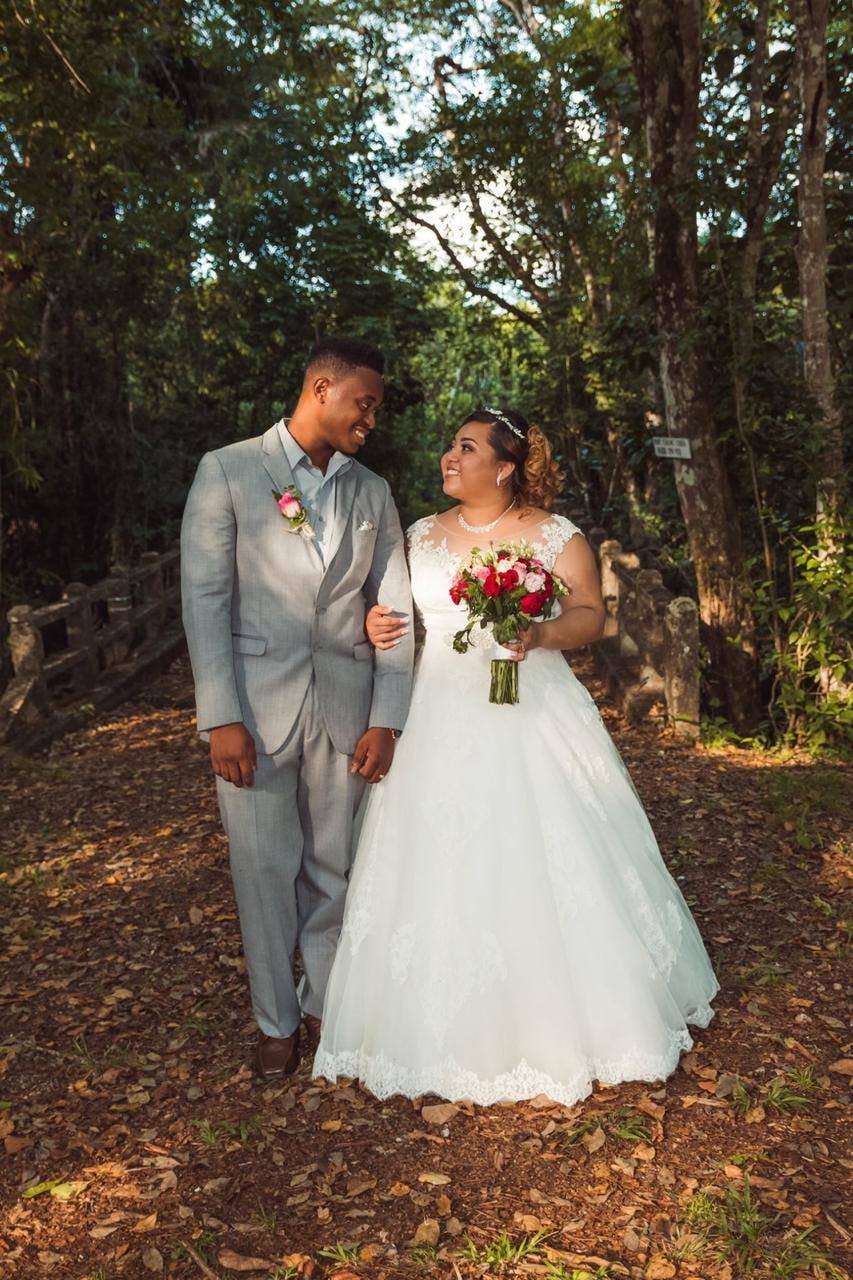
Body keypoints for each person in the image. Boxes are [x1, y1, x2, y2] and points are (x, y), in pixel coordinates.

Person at [314, 407, 718, 1106]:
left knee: (542, 845)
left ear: (503, 468)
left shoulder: (556, 535)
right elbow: (390, 608)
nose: (450, 456)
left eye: (467, 448)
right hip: (438, 710)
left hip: (532, 709)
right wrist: (376, 621)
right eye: (451, 444)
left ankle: (569, 1015)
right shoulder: (418, 534)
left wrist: (539, 633)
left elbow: (589, 615)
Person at [180, 336, 414, 1081]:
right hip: (253, 711)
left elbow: (394, 606)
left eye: (375, 409)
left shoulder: (373, 491)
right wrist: (220, 716)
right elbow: (204, 599)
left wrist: (387, 715)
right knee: (261, 871)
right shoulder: (227, 470)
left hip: (346, 707)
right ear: (320, 389)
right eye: (363, 404)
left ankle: (324, 1007)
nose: (370, 420)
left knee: (334, 869)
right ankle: (274, 1021)